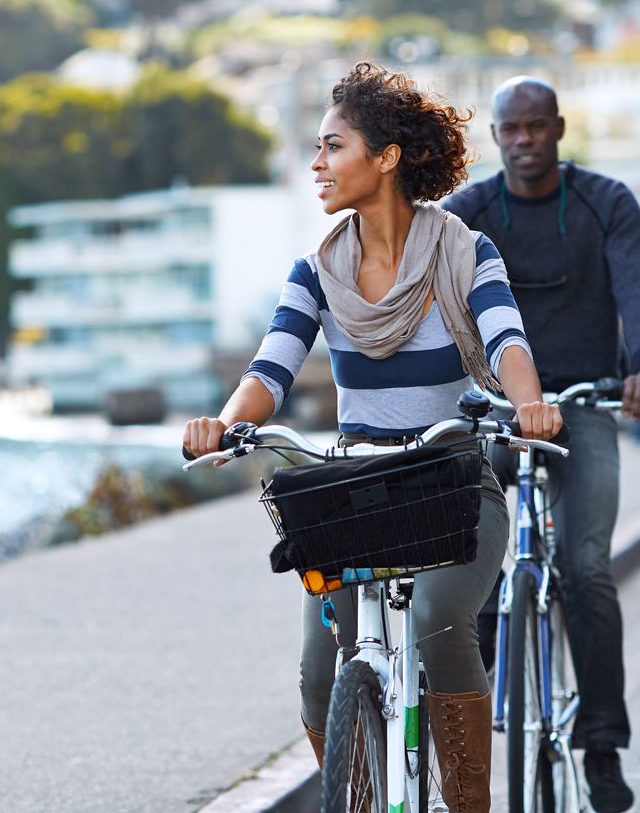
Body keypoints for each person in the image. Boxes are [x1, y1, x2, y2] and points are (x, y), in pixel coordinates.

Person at [183, 63, 562, 813]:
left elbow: (506, 338)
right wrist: (225, 424)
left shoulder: (463, 251)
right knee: (318, 675)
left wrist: (530, 404)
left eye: (332, 147)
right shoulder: (317, 271)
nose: (317, 165)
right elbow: (271, 366)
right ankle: (354, 796)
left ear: (385, 157)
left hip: (453, 478)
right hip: (357, 487)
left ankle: (466, 805)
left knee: (439, 620)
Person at [441, 76, 640, 813]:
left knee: (587, 568)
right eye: (510, 129)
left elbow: (636, 286)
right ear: (496, 135)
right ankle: (467, 724)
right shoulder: (469, 213)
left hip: (584, 403)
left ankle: (600, 747)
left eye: (536, 127)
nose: (524, 140)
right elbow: (433, 296)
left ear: (559, 129)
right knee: (465, 565)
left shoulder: (606, 202)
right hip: (500, 409)